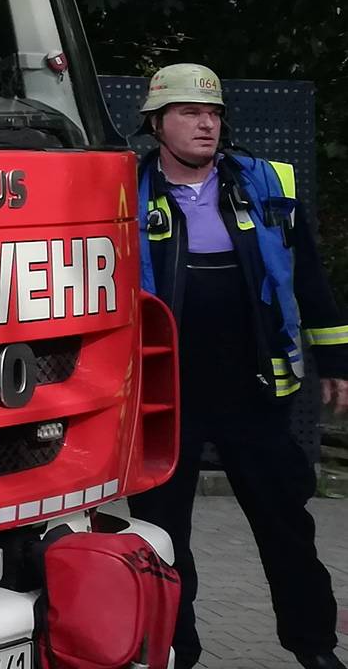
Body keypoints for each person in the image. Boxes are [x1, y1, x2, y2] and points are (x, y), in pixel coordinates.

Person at [127, 63, 348, 669]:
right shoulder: (125, 192)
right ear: (156, 124)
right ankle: (176, 652)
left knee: (287, 530)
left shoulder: (264, 184)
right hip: (166, 397)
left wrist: (337, 359)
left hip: (253, 390)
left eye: (215, 113)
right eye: (190, 113)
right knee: (163, 538)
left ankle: (316, 649)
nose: (207, 124)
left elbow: (308, 274)